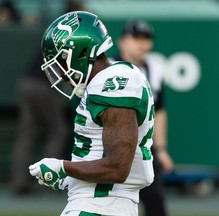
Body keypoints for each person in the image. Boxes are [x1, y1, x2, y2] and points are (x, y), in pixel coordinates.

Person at [29, 11, 155, 215]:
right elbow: (101, 151)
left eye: (61, 61)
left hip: (99, 206)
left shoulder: (113, 84)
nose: (60, 71)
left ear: (79, 53)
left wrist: (63, 167)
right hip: (102, 205)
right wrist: (68, 177)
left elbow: (118, 167)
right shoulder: (109, 78)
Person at [114, 19, 174, 216]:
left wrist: (161, 149)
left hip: (144, 149)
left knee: (156, 203)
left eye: (146, 39)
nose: (142, 44)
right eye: (136, 38)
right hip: (111, 149)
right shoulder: (108, 69)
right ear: (122, 41)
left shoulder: (154, 70)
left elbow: (160, 110)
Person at [11, 51, 69, 195]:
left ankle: (20, 182)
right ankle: (47, 178)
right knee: (59, 131)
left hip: (26, 83)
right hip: (41, 84)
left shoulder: (52, 36)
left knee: (26, 135)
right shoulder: (65, 39)